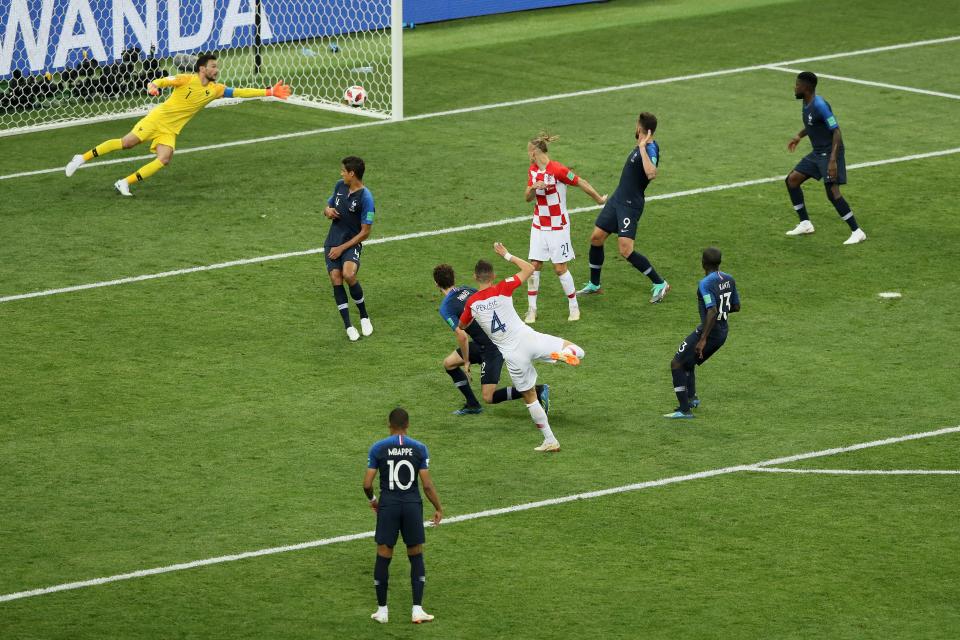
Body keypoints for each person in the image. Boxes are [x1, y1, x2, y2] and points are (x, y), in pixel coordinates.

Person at [64, 53, 291, 195]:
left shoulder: (216, 90)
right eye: (212, 67)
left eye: (216, 67)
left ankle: (124, 182)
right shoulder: (186, 79)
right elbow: (160, 81)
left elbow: (240, 91)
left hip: (171, 129)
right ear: (202, 69)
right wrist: (152, 86)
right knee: (127, 143)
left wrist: (269, 91)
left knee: (164, 158)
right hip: (158, 119)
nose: (216, 70)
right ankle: (80, 158)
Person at [458, 244, 585, 452]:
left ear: (475, 277)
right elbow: (529, 268)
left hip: (513, 355)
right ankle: (561, 354)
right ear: (493, 275)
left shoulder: (471, 303)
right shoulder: (503, 287)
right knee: (578, 351)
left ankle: (550, 440)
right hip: (529, 338)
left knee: (530, 397)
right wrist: (506, 254)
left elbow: (462, 326)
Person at [577, 112, 670, 303]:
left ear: (642, 127)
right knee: (596, 238)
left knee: (626, 250)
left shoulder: (651, 148)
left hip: (630, 205)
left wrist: (643, 147)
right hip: (617, 199)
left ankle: (660, 283)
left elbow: (651, 173)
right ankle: (594, 284)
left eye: (637, 124)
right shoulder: (640, 145)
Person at [434, 264, 548, 415]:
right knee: (449, 363)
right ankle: (472, 404)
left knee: (488, 396)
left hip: (492, 348)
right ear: (453, 278)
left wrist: (467, 361)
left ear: (437, 284)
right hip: (482, 342)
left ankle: (536, 390)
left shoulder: (446, 307)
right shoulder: (467, 289)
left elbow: (461, 335)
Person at [363, 407, 443, 624]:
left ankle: (382, 611)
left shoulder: (378, 448)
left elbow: (367, 483)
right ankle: (417, 610)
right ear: (407, 425)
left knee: (383, 554)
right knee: (415, 554)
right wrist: (438, 507)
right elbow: (426, 485)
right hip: (411, 506)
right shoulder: (419, 448)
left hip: (388, 506)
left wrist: (373, 502)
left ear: (389, 425)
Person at [523, 133, 606, 323]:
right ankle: (531, 310)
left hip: (557, 226)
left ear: (535, 151)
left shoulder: (558, 169)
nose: (528, 154)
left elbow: (580, 182)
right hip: (539, 225)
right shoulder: (533, 170)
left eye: (529, 151)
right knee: (534, 266)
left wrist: (599, 199)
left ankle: (574, 307)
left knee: (560, 268)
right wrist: (534, 187)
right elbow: (527, 197)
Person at [784, 71, 866, 245]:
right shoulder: (806, 103)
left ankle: (857, 231)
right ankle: (805, 224)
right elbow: (812, 124)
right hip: (817, 152)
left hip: (830, 153)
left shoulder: (820, 105)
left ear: (806, 87)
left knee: (832, 192)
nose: (795, 87)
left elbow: (836, 130)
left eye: (797, 84)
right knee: (792, 180)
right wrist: (799, 136)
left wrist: (833, 160)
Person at [664, 248, 740, 419]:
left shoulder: (705, 283)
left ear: (703, 263)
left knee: (676, 363)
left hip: (710, 332)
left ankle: (684, 410)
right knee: (688, 360)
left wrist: (703, 339)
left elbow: (711, 311)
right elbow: (736, 306)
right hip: (722, 332)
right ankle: (692, 398)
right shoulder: (729, 279)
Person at [323, 156, 375, 341]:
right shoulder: (339, 186)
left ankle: (364, 316)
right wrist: (328, 210)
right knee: (336, 278)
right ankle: (348, 326)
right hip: (332, 242)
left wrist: (342, 248)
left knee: (349, 275)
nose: (341, 173)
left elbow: (365, 232)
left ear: (352, 174)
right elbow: (328, 205)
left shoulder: (366, 198)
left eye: (343, 171)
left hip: (351, 243)